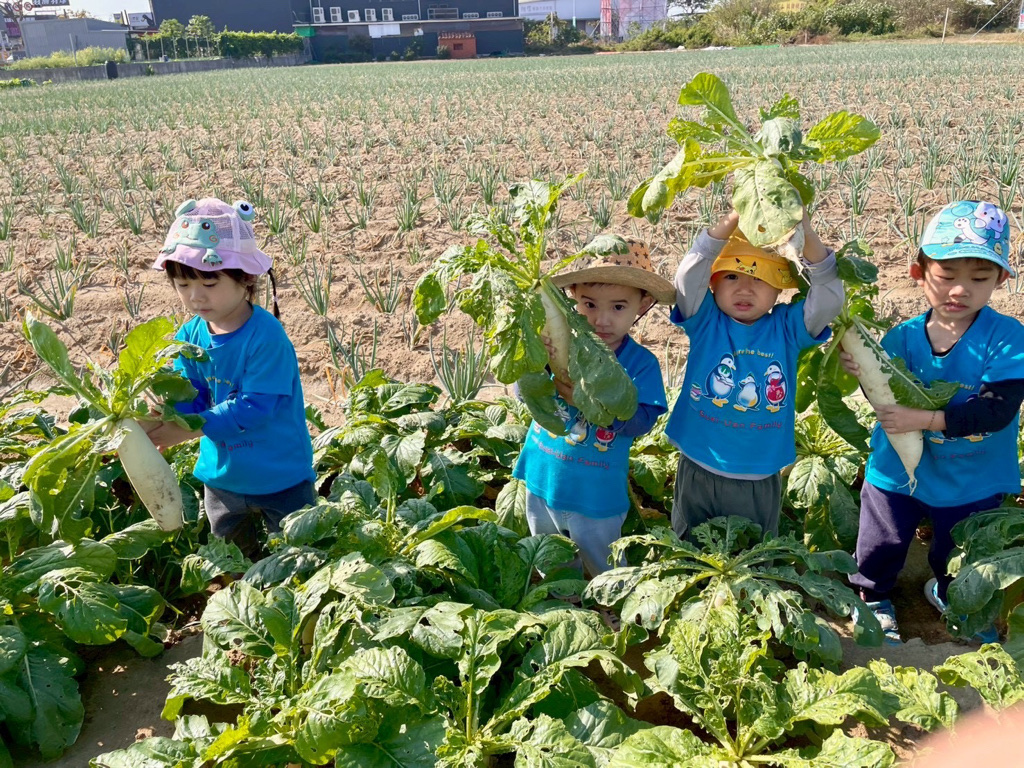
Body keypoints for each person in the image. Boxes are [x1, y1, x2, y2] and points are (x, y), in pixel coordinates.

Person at [843, 200, 1024, 644]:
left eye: (978, 278)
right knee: (882, 539)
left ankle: (950, 593)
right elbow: (884, 398)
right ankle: (873, 596)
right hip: (898, 466)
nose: (960, 290)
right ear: (919, 273)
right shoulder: (901, 337)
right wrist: (864, 371)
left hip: (973, 473)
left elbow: (996, 410)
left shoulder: (1007, 337)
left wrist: (924, 418)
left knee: (960, 549)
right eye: (946, 275)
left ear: (1000, 280)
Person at [146, 198, 316, 560]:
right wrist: (166, 416)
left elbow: (254, 407)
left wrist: (187, 429)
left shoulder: (266, 338)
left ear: (246, 278)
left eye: (209, 282)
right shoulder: (190, 336)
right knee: (230, 559)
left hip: (280, 474)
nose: (195, 296)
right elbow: (190, 393)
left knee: (299, 558)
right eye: (183, 284)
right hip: (222, 477)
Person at [666, 210, 842, 540]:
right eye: (732, 276)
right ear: (713, 282)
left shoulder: (787, 328)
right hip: (698, 464)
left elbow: (829, 299)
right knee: (689, 552)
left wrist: (804, 230)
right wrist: (733, 218)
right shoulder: (705, 319)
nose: (745, 289)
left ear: (779, 289)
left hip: (757, 475)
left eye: (760, 278)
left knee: (754, 557)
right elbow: (688, 277)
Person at [512, 240, 672, 577]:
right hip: (541, 478)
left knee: (604, 564)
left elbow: (643, 420)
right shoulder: (555, 346)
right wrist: (535, 360)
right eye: (589, 304)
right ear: (572, 297)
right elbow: (523, 393)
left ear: (642, 305)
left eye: (618, 307)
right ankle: (564, 598)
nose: (601, 319)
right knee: (550, 558)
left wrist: (590, 402)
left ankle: (612, 601)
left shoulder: (641, 364)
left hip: (596, 495)